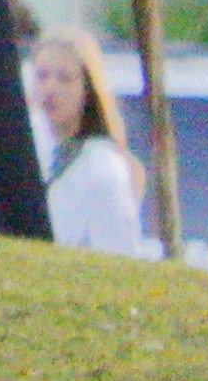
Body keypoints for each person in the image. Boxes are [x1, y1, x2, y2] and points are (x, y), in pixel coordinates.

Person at [26, 30, 156, 260]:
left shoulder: (103, 167)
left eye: (65, 78)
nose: (50, 88)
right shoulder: (25, 144)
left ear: (88, 89)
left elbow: (118, 259)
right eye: (42, 76)